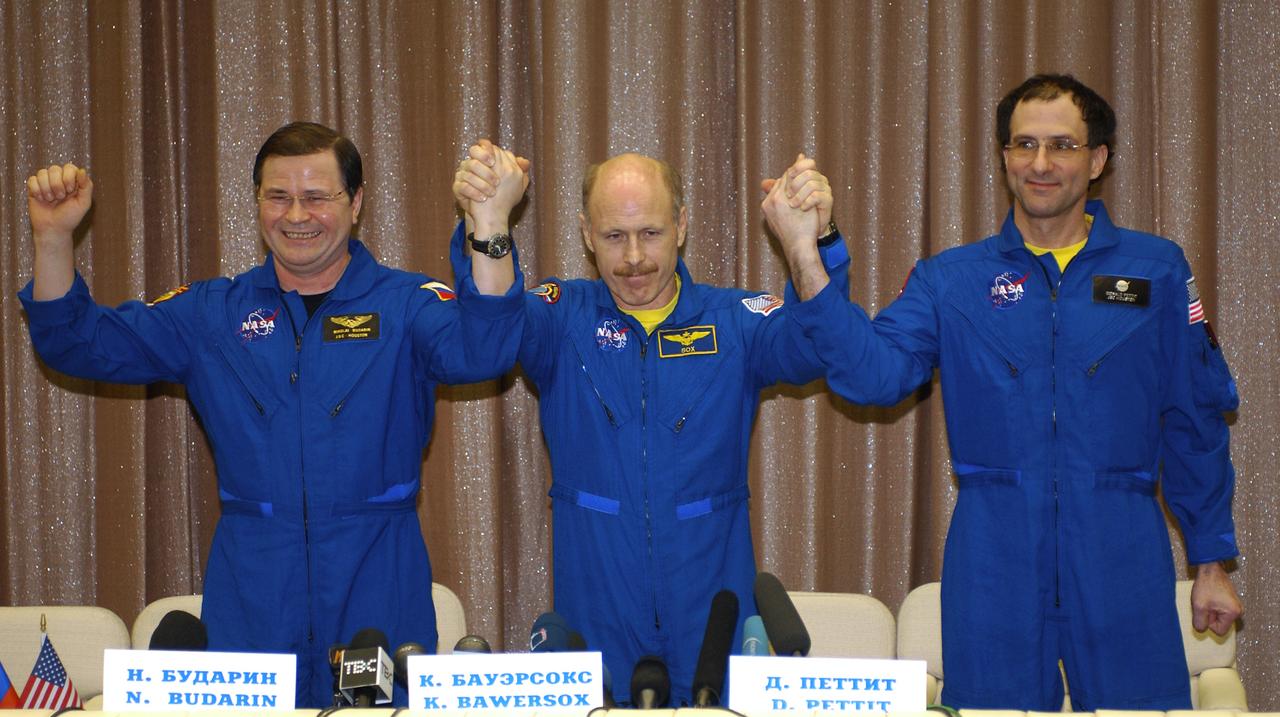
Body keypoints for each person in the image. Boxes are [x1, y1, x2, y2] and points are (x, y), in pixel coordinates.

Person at [773, 74, 1242, 710]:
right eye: (1023, 145)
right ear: (1003, 158)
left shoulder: (1154, 270)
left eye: (1063, 146)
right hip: (994, 556)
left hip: (1122, 548)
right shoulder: (952, 279)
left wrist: (1211, 559)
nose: (1040, 164)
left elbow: (1196, 418)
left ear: (1098, 159)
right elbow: (870, 375)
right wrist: (810, 251)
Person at [19, 122, 524, 707]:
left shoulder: (406, 305)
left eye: (316, 197)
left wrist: (489, 226)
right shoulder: (212, 314)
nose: (296, 215)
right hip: (253, 587)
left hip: (377, 575)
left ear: (356, 203)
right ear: (257, 201)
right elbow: (77, 344)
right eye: (277, 196)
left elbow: (489, 347)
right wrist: (53, 237)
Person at [452, 141, 846, 705]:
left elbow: (823, 348)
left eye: (652, 233)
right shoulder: (560, 317)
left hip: (713, 613)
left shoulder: (735, 321)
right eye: (614, 236)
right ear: (587, 234)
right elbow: (488, 334)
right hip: (598, 606)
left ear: (682, 225)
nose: (634, 257)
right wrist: (486, 220)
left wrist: (813, 244)